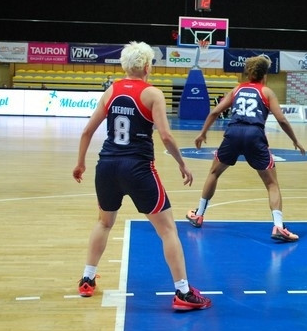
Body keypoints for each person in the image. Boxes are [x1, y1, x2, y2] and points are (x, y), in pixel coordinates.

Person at [74, 41, 211, 311]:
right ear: (147, 66)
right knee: (168, 229)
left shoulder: (111, 91)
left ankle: (87, 279)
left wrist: (80, 163)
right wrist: (182, 164)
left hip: (107, 166)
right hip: (137, 168)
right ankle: (183, 292)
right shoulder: (152, 94)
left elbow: (87, 131)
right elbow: (166, 136)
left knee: (103, 223)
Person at [185, 55, 305, 242]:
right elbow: (281, 119)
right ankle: (279, 227)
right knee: (272, 184)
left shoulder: (237, 89)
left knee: (214, 173)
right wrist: (295, 140)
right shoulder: (266, 92)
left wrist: (202, 133)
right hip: (254, 135)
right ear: (264, 75)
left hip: (233, 133)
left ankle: (199, 214)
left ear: (248, 73)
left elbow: (215, 111)